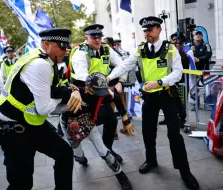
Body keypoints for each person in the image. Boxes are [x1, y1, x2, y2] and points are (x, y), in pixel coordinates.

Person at [106, 16, 200, 190]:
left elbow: (178, 74)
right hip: (149, 98)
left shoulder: (170, 49)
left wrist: (159, 82)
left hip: (167, 95)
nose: (147, 33)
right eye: (145, 30)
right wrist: (109, 77)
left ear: (159, 30)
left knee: (174, 134)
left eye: (150, 30)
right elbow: (125, 65)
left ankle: (185, 171)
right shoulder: (140, 50)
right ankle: (151, 160)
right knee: (149, 132)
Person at [0, 28, 82, 190]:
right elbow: (44, 109)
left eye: (66, 47)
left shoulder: (47, 59)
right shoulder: (40, 64)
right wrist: (65, 95)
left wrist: (71, 91)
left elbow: (54, 91)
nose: (65, 51)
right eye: (62, 47)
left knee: (65, 154)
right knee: (21, 184)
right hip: (14, 129)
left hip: (30, 123)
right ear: (47, 44)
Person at [69, 24, 134, 163]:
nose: (98, 40)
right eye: (94, 37)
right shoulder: (80, 53)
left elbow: (121, 65)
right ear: (86, 38)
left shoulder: (106, 49)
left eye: (99, 37)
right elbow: (83, 77)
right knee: (77, 130)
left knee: (110, 120)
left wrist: (111, 79)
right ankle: (79, 155)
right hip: (82, 94)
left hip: (100, 90)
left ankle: (108, 150)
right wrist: (105, 86)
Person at [59, 72, 132, 190]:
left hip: (88, 123)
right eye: (98, 92)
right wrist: (71, 93)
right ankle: (81, 159)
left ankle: (120, 174)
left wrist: (125, 119)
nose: (101, 95)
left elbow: (116, 97)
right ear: (87, 88)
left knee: (103, 151)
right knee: (77, 154)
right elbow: (53, 100)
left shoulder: (102, 92)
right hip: (70, 126)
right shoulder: (73, 92)